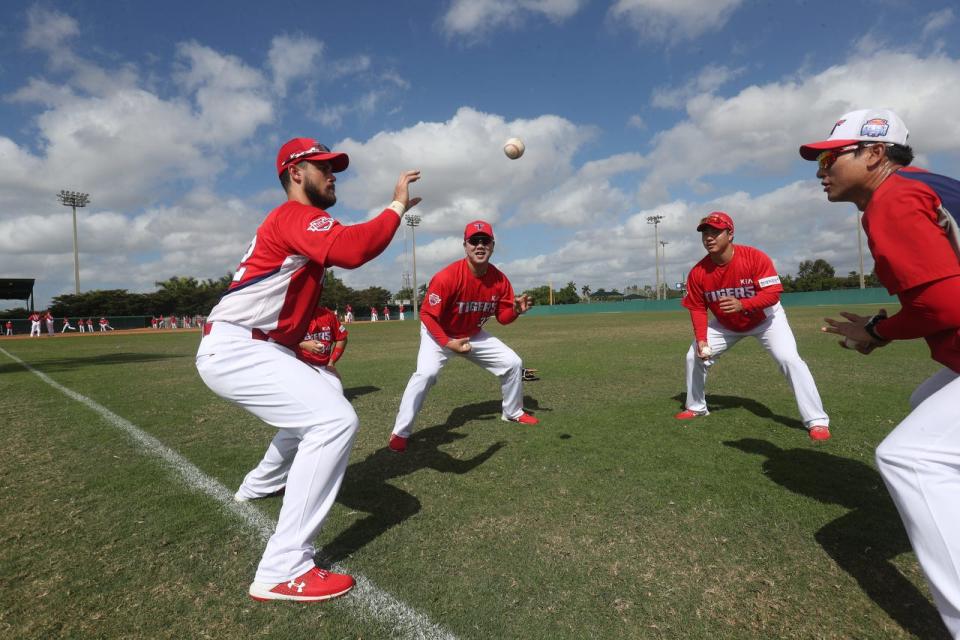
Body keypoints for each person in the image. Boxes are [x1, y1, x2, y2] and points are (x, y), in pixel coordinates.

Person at [195, 136, 420, 602]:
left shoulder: (290, 222)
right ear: (296, 174)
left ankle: (258, 485)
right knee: (334, 420)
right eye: (323, 167)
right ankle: (283, 568)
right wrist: (396, 207)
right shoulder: (294, 215)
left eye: (333, 166)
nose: (332, 173)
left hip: (254, 345)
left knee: (319, 405)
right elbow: (355, 249)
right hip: (239, 346)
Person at [809, 108, 960, 637]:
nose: (821, 170)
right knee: (927, 402)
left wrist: (877, 332)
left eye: (831, 157)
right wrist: (880, 326)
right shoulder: (931, 185)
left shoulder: (891, 199)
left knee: (909, 457)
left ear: (874, 153)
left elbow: (947, 306)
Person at [675, 211, 831, 441]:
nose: (709, 237)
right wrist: (701, 340)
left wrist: (743, 304)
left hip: (766, 320)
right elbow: (697, 308)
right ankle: (697, 407)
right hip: (726, 324)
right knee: (694, 356)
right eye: (705, 233)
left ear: (730, 234)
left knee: (789, 360)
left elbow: (773, 294)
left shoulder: (754, 258)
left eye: (716, 232)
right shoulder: (698, 272)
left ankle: (816, 421)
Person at [389, 220, 538, 453]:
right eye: (474, 241)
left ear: (492, 245)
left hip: (472, 334)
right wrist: (447, 342)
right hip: (438, 333)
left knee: (513, 363)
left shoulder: (499, 280)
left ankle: (513, 412)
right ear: (465, 245)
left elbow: (503, 317)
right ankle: (400, 432)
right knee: (425, 374)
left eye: (485, 241)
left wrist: (516, 311)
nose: (480, 246)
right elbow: (427, 314)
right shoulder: (448, 277)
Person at [234, 305, 349, 502]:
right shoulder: (290, 313)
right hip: (299, 368)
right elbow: (272, 342)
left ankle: (260, 484)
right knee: (317, 425)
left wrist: (332, 362)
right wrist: (303, 345)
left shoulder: (327, 315)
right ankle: (264, 484)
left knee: (322, 425)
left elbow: (342, 337)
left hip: (324, 370)